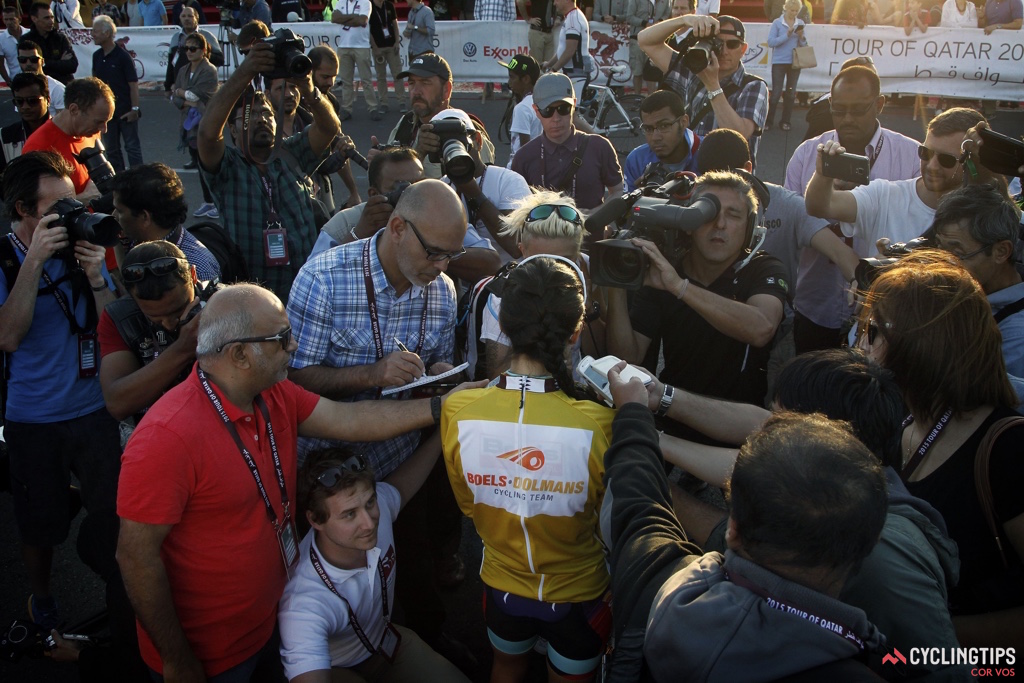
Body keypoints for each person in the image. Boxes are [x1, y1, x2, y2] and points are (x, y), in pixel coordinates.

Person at [116, 283, 472, 680]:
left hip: (273, 620)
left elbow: (352, 420)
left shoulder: (274, 394)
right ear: (239, 354)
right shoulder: (166, 437)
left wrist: (447, 405)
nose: (295, 346)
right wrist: (177, 661)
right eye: (282, 338)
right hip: (212, 654)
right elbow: (135, 557)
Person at [650, 348, 968, 679]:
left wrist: (650, 478)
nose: (761, 434)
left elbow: (942, 669)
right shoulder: (850, 487)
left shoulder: (885, 562)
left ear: (822, 442)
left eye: (778, 425)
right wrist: (658, 408)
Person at [601, 389, 887, 680]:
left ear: (732, 529)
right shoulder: (873, 667)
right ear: (873, 540)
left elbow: (640, 506)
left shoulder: (662, 585)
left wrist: (633, 415)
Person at [443, 256, 614, 683]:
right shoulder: (600, 423)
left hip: (501, 587)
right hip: (580, 593)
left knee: (505, 668)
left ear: (502, 326)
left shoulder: (457, 409)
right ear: (575, 332)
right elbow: (607, 521)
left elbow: (469, 505)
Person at [855, 256, 1024, 648]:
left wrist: (931, 641)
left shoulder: (1008, 449)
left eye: (875, 331)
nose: (862, 343)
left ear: (924, 345)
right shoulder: (903, 423)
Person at [0, 151, 119, 632]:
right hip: (34, 419)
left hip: (93, 410)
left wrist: (96, 279)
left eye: (73, 204)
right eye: (57, 210)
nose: (71, 217)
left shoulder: (79, 249)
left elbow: (111, 326)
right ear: (23, 211)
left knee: (114, 515)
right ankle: (43, 598)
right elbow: (8, 335)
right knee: (40, 526)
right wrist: (33, 262)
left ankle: (123, 592)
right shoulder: (7, 260)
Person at [606, 171, 788, 429]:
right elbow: (626, 355)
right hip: (673, 410)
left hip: (739, 424)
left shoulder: (763, 269)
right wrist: (617, 281)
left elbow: (761, 328)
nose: (720, 225)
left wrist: (680, 288)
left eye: (733, 215)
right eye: (708, 214)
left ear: (750, 228)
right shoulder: (665, 270)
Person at [277, 445, 471, 682]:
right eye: (349, 514)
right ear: (315, 519)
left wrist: (441, 432)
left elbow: (403, 482)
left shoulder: (378, 508)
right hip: (337, 669)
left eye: (370, 503)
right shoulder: (303, 604)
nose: (369, 523)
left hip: (387, 643)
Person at [785, 64, 920, 354]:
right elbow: (794, 220)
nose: (847, 119)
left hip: (885, 314)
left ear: (879, 104)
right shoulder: (808, 153)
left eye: (858, 110)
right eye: (838, 109)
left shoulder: (911, 156)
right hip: (815, 303)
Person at [197, 40, 340, 302]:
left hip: (305, 292)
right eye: (250, 116)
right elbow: (207, 133)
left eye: (267, 114)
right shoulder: (226, 167)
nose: (261, 118)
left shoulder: (291, 152)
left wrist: (308, 88)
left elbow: (330, 127)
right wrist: (246, 71)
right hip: (251, 297)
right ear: (231, 129)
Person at [805, 108, 986, 297]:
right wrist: (822, 174)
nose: (932, 165)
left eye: (946, 160)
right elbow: (820, 206)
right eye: (925, 153)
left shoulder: (987, 214)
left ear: (972, 161)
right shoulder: (886, 194)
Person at [478, 192, 605, 380]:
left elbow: (600, 353)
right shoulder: (502, 295)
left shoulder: (589, 272)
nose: (550, 271)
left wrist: (588, 304)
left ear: (578, 255)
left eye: (563, 261)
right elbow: (498, 376)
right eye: (540, 260)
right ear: (522, 250)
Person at [97, 241, 213, 420]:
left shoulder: (224, 304)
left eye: (178, 311)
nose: (168, 324)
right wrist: (183, 349)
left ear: (193, 274)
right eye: (155, 317)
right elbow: (117, 403)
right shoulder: (120, 317)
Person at [640, 14, 768, 165]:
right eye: (718, 43)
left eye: (732, 44)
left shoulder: (753, 86)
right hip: (690, 175)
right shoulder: (693, 73)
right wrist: (684, 20)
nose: (724, 51)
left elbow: (739, 135)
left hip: (730, 180)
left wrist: (712, 84)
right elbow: (646, 42)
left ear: (743, 49)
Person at [926, 183, 1024, 379]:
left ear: (1002, 251)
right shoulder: (956, 292)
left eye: (957, 253)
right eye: (939, 248)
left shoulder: (1017, 334)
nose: (942, 263)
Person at [510, 72, 623, 211]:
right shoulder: (524, 157)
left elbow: (618, 192)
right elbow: (516, 208)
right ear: (536, 111)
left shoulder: (599, 147)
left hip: (590, 232)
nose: (556, 118)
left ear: (574, 106)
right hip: (544, 232)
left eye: (563, 109)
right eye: (547, 110)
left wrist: (593, 217)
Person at [435, 107, 531, 263]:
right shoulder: (439, 188)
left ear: (478, 141)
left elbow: (516, 246)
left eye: (459, 140)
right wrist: (419, 152)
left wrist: (473, 193)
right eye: (445, 143)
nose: (453, 148)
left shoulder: (508, 180)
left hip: (508, 280)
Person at [111, 162, 221, 280]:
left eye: (120, 211)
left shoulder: (196, 268)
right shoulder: (139, 240)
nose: (114, 216)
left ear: (144, 217)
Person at [23, 76, 114, 200]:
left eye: (107, 121)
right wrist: (84, 199)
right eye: (99, 122)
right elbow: (35, 209)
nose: (104, 129)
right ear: (74, 109)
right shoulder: (38, 147)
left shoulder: (90, 132)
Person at [170, 31, 219, 218]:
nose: (188, 52)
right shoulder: (183, 70)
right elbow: (176, 97)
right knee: (199, 164)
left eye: (193, 48)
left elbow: (197, 95)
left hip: (205, 124)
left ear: (203, 50)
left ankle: (214, 201)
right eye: (186, 48)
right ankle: (208, 201)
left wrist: (182, 94)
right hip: (188, 125)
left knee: (208, 165)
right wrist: (185, 96)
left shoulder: (209, 70)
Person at [90, 16, 142, 172]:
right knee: (111, 150)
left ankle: (138, 179)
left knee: (132, 147)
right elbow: (95, 84)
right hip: (106, 114)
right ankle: (119, 180)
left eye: (95, 31)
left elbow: (133, 84)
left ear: (107, 33)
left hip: (125, 111)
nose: (92, 34)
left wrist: (135, 109)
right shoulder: (96, 56)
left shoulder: (123, 57)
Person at [622, 89, 700, 192]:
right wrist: (639, 198)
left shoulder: (710, 151)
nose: (655, 137)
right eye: (648, 129)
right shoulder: (636, 159)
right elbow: (627, 207)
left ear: (683, 122)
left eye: (664, 126)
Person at [331, 0, 382, 122]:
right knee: (346, 81)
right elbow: (334, 18)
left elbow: (363, 20)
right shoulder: (341, 2)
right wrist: (354, 17)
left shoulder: (365, 2)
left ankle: (372, 107)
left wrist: (344, 18)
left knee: (366, 80)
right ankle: (346, 109)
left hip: (362, 46)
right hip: (344, 46)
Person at [765, 0, 806, 131]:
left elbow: (804, 45)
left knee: (790, 93)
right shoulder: (777, 23)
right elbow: (771, 42)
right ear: (786, 9)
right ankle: (768, 121)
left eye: (796, 11)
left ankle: (785, 121)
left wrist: (801, 37)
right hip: (779, 61)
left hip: (794, 62)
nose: (793, 13)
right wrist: (787, 35)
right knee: (776, 93)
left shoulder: (800, 23)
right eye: (791, 10)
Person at [544, 0, 598, 98]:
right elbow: (562, 49)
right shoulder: (571, 16)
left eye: (556, 0)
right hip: (572, 70)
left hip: (576, 70)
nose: (554, 3)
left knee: (573, 110)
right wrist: (549, 64)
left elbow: (570, 50)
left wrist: (553, 69)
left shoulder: (573, 19)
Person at [163, 6, 222, 95]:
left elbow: (220, 60)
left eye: (190, 16)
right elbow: (171, 64)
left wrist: (203, 54)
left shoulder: (207, 36)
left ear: (196, 18)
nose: (186, 19)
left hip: (201, 83)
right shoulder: (176, 37)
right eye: (183, 16)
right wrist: (167, 87)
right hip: (181, 84)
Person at [595, 0, 650, 94]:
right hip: (613, 37)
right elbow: (594, 14)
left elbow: (627, 15)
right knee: (637, 70)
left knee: (644, 70)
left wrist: (615, 17)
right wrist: (602, 18)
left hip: (621, 39)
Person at [0, 72, 51, 172]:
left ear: (48, 100)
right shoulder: (4, 136)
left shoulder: (64, 132)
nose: (25, 106)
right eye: (19, 101)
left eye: (33, 100)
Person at [501, 53, 542, 166]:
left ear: (526, 79)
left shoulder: (522, 108)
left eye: (512, 77)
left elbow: (524, 151)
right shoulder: (542, 101)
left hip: (519, 170)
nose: (509, 83)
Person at [23, 2, 77, 85]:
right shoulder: (26, 40)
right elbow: (29, 67)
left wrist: (45, 63)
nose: (51, 21)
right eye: (46, 18)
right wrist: (59, 62)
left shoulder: (60, 38)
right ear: (34, 19)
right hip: (39, 85)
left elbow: (72, 65)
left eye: (52, 17)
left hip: (64, 84)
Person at [369, 0, 405, 113]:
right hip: (378, 48)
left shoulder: (389, 5)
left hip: (391, 46)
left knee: (398, 74)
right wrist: (374, 47)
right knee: (381, 77)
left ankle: (402, 101)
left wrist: (397, 42)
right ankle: (383, 102)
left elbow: (395, 24)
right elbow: (367, 29)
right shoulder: (369, 6)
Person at [17, 39, 65, 111]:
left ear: (42, 61)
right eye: (23, 60)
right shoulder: (19, 88)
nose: (28, 64)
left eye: (34, 59)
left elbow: (64, 120)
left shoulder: (57, 89)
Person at [517, 0, 556, 66]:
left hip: (549, 33)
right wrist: (527, 19)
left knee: (548, 66)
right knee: (537, 65)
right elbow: (520, 1)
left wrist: (558, 17)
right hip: (537, 32)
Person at [0, 5, 25, 85]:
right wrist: (8, 81)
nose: (8, 22)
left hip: (35, 77)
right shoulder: (1, 39)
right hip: (15, 79)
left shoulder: (30, 34)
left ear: (19, 19)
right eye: (6, 19)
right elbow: (0, 64)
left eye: (12, 19)